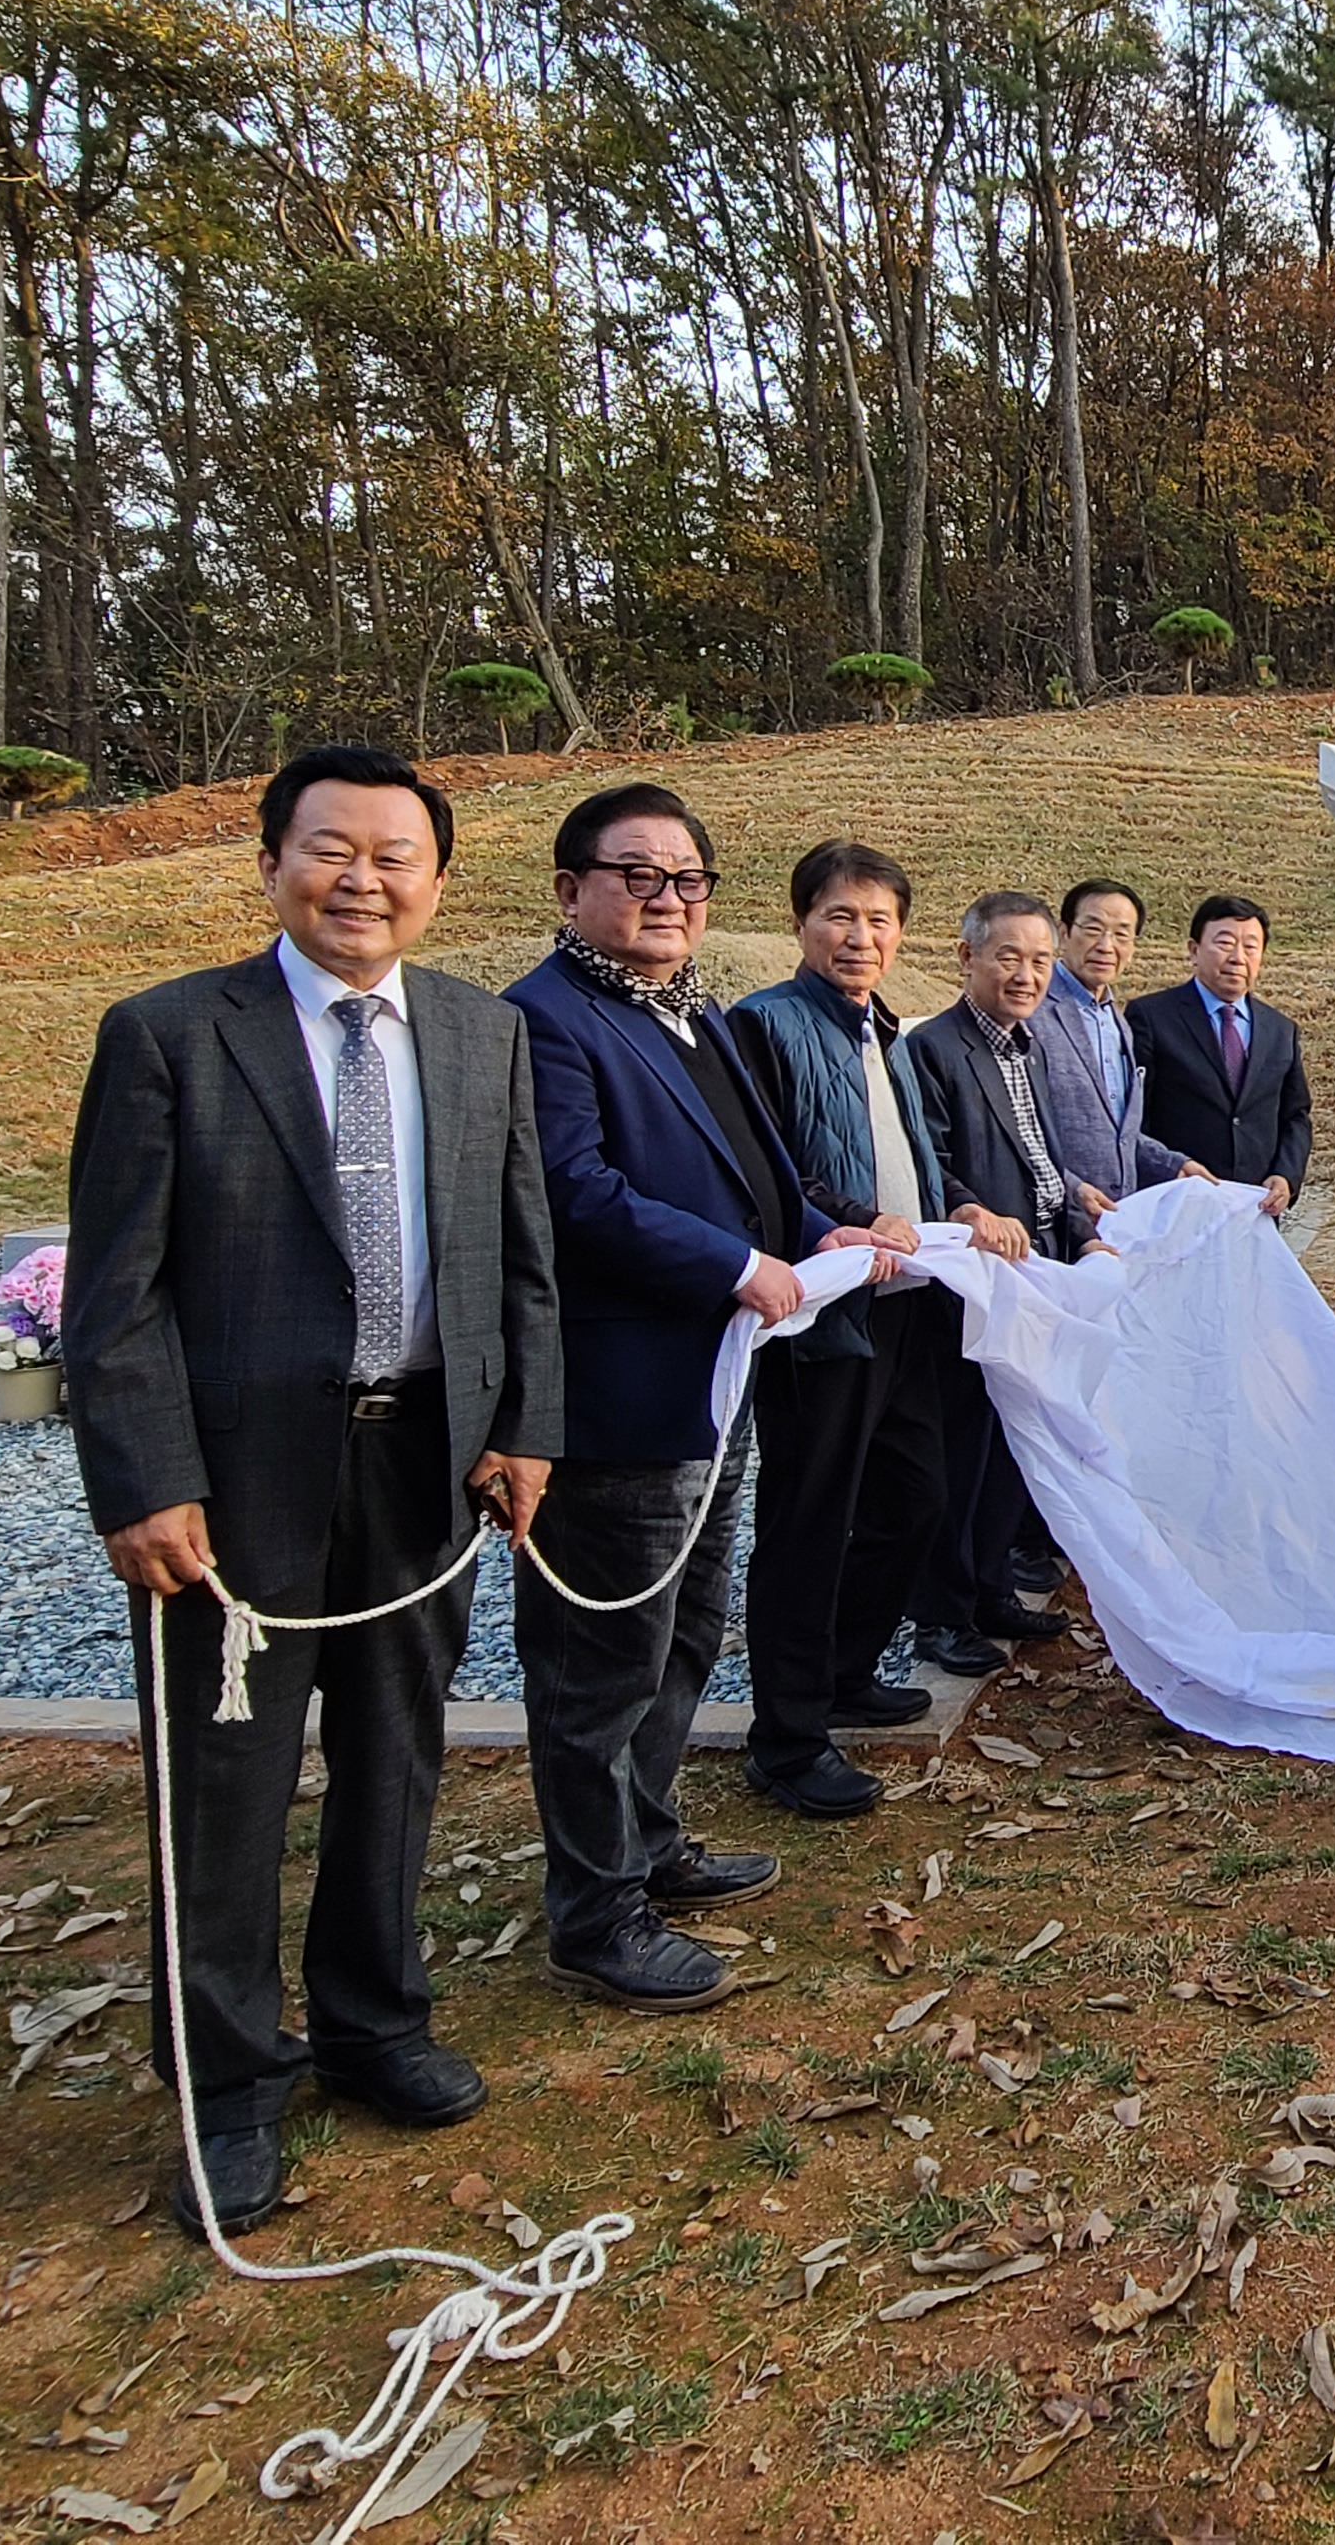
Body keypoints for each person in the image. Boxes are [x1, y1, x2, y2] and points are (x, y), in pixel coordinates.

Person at [63, 746, 562, 2236]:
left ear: (437, 881)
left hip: (425, 1462)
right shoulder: (169, 1034)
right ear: (273, 862)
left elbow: (519, 1255)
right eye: (331, 849)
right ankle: (225, 2090)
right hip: (235, 1487)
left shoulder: (481, 1032)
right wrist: (145, 1478)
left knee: (398, 1754)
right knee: (225, 1784)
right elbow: (116, 1293)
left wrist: (524, 1426)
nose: (362, 881)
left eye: (395, 856)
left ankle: (373, 2022)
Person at [509, 783, 885, 2013]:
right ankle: (595, 1914)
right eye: (639, 876)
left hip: (717, 1382)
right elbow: (576, 1190)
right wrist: (734, 1264)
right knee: (603, 1658)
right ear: (571, 889)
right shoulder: (544, 1019)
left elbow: (761, 1170)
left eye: (687, 879)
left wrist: (823, 1230)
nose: (667, 899)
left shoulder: (697, 1014)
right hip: (622, 1390)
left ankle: (651, 1840)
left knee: (684, 1628)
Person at [724, 843, 1029, 1818]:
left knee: (914, 1499)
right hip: (824, 1314)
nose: (861, 937)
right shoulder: (763, 1025)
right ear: (800, 923)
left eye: (879, 920)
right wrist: (853, 1219)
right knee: (808, 1522)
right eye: (840, 916)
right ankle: (786, 1740)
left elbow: (917, 1155)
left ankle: (846, 1670)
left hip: (903, 1308)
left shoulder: (883, 1028)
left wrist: (956, 1209)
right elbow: (767, 1170)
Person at [901, 892, 1087, 1670]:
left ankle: (990, 1589)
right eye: (1009, 956)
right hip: (970, 1280)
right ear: (967, 957)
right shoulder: (933, 1049)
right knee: (960, 1450)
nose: (1026, 975)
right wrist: (969, 1208)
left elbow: (1041, 1154)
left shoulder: (1029, 1045)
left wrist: (1078, 1207)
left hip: (1033, 1269)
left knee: (1012, 1440)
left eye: (1040, 960)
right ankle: (941, 1616)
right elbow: (926, 1160)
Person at [1033, 878, 1202, 1219]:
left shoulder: (1117, 1022)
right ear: (1063, 934)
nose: (1106, 946)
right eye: (1093, 929)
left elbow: (1119, 1133)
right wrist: (1071, 1187)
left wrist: (1173, 1165)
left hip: (1115, 1218)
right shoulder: (1032, 1012)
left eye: (1122, 934)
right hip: (1052, 1219)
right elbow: (1017, 1130)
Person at [1130, 895, 1309, 1213]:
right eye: (1225, 943)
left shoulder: (1281, 1030)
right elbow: (1134, 1114)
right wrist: (1165, 1168)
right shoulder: (1151, 1017)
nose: (1238, 958)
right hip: (1175, 1204)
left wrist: (1286, 1176)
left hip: (1254, 1210)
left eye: (1251, 947)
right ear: (1193, 950)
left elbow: (1295, 1115)